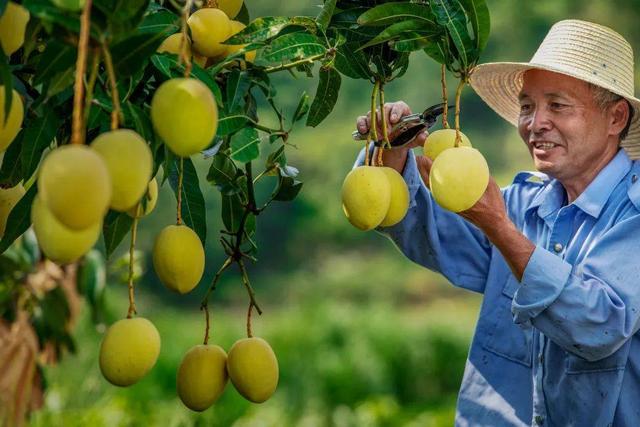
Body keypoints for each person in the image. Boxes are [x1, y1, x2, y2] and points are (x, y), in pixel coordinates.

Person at [354, 20, 640, 426]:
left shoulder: (633, 214)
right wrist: (392, 152)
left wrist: (500, 227)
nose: (535, 123)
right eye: (527, 106)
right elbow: (429, 232)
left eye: (557, 106)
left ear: (615, 118)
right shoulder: (525, 203)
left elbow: (597, 325)